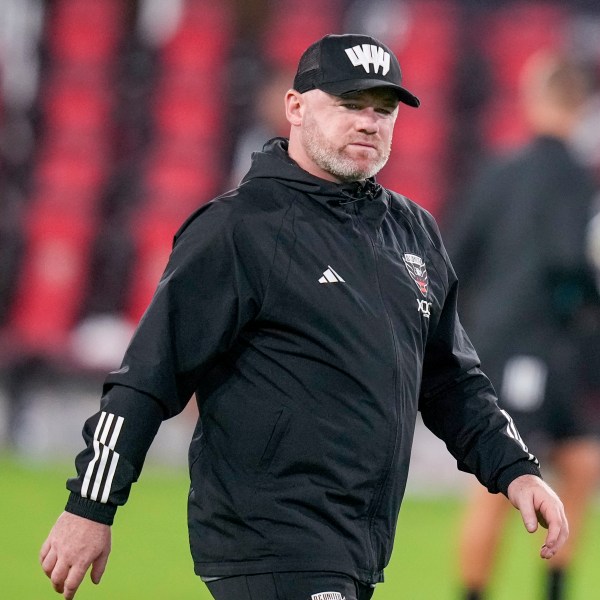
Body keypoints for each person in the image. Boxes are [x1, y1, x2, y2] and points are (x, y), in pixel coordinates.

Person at [40, 34, 569, 600]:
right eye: (349, 104)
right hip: (270, 540)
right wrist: (89, 505)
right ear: (295, 107)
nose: (369, 122)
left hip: (357, 547)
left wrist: (515, 469)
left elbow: (450, 381)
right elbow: (147, 378)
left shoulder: (413, 232)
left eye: (383, 110)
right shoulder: (239, 229)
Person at [446, 51, 600, 600]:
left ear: (535, 99)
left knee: (566, 467)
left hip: (507, 347)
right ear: (581, 107)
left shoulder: (499, 172)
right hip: (550, 352)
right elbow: (575, 262)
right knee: (531, 475)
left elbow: (454, 258)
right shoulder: (579, 183)